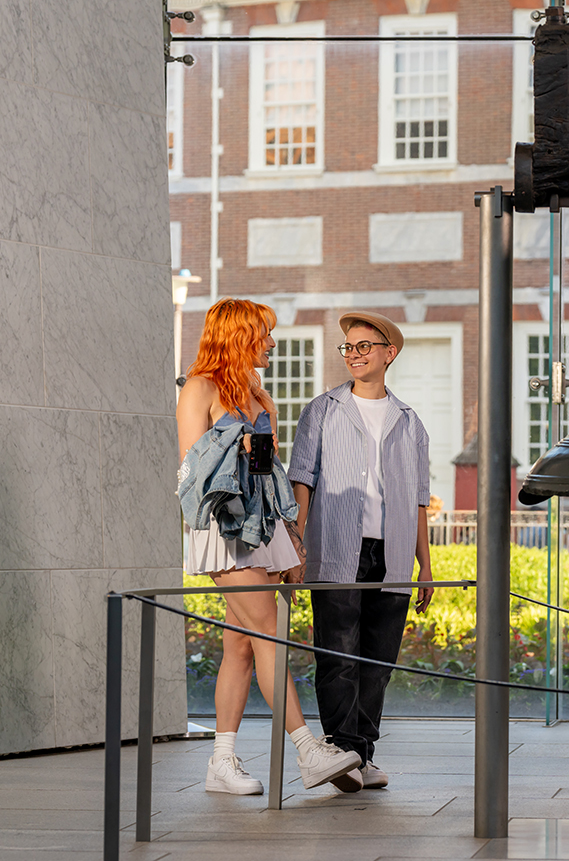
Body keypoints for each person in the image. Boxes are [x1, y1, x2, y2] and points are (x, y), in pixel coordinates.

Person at [177, 298, 363, 796]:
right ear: (238, 335)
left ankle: (221, 761)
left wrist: (293, 539)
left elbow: (270, 476)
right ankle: (307, 749)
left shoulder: (260, 398)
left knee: (240, 646)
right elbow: (190, 475)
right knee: (268, 631)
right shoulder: (200, 389)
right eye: (264, 334)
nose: (272, 344)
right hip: (224, 528)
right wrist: (228, 447)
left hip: (265, 530)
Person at [287, 310, 435, 790]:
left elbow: (417, 501)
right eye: (347, 347)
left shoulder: (410, 424)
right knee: (338, 655)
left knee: (378, 662)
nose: (353, 354)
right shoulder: (323, 410)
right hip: (335, 550)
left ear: (389, 353)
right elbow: (302, 480)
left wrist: (425, 567)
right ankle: (343, 751)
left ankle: (360, 755)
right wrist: (296, 542)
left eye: (363, 346)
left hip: (391, 557)